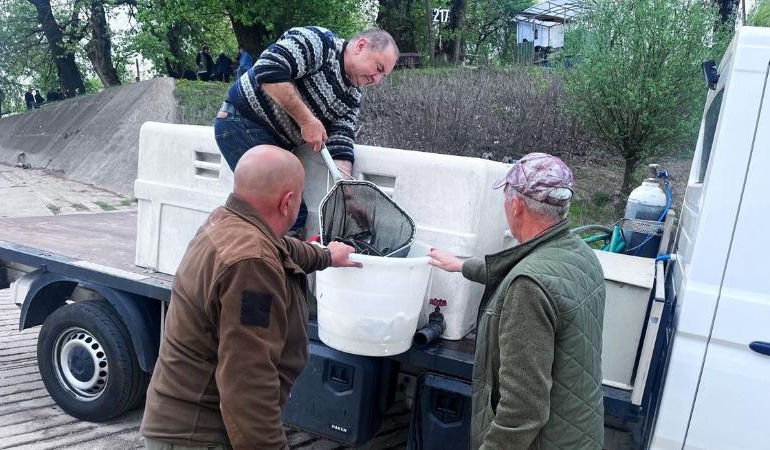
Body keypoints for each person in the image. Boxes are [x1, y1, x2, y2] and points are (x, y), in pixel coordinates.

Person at [140, 145, 361, 449]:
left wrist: (326, 255)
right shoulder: (252, 266)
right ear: (287, 202)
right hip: (198, 436)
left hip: (180, 426)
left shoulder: (226, 221)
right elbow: (247, 385)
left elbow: (283, 249)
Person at [428, 153, 606, 450]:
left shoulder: (527, 288)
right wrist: (461, 265)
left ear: (517, 205)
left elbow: (523, 409)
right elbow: (535, 272)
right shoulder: (580, 255)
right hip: (577, 434)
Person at [215, 27, 398, 233]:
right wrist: (307, 121)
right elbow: (268, 71)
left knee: (285, 212)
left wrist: (348, 197)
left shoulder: (352, 96)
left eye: (383, 76)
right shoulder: (319, 42)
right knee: (286, 213)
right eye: (379, 68)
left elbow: (341, 144)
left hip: (274, 145)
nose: (377, 80)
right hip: (240, 122)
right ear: (361, 46)